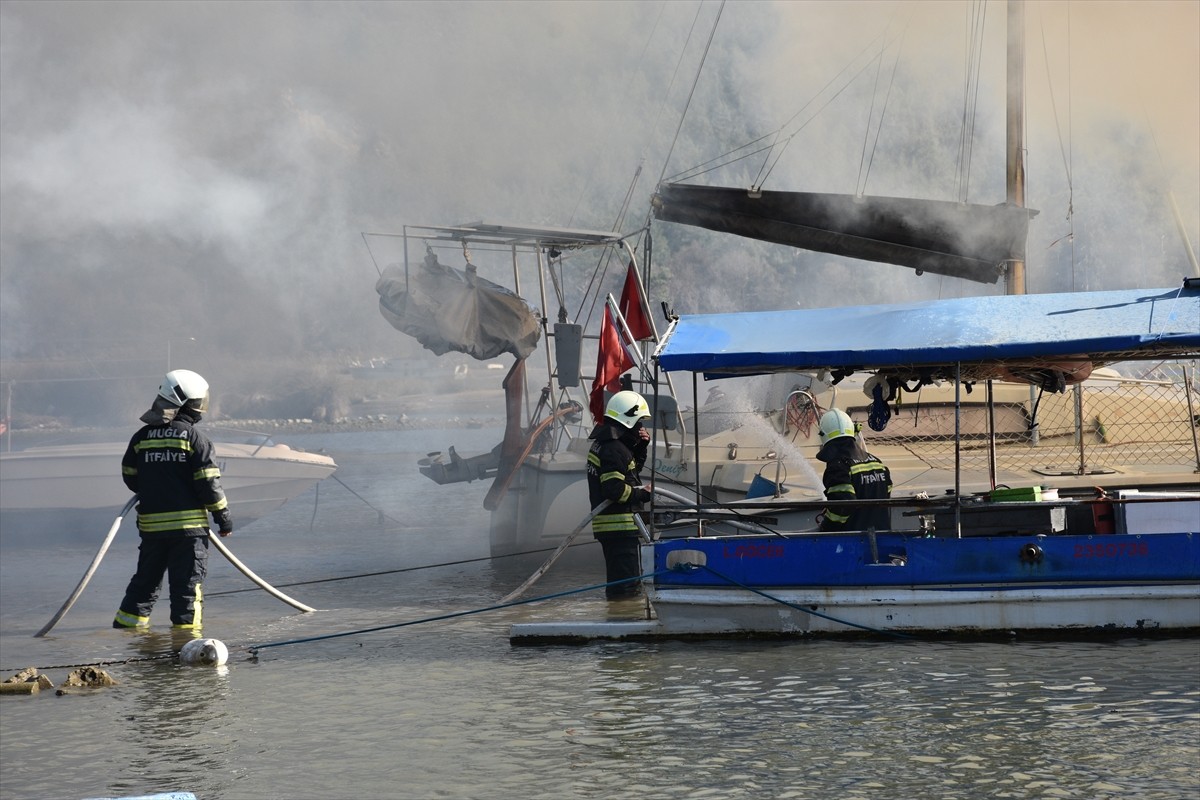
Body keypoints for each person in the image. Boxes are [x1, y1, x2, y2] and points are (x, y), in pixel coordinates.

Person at [113, 369, 232, 630]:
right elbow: (208, 484)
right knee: (187, 590)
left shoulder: (141, 437)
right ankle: (186, 648)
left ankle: (127, 640)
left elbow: (130, 476)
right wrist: (223, 519)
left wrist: (155, 489)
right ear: (185, 403)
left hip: (152, 530)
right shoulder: (194, 438)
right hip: (188, 533)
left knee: (144, 585)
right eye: (198, 402)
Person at [586, 389, 653, 599]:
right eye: (639, 421)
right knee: (626, 588)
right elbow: (614, 489)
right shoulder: (614, 448)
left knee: (624, 583)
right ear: (628, 419)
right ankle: (623, 619)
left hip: (616, 529)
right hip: (620, 527)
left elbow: (629, 474)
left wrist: (641, 448)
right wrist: (643, 495)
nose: (640, 427)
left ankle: (619, 617)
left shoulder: (610, 445)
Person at [815, 408, 892, 532]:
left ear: (823, 435)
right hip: (882, 538)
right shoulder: (877, 463)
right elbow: (885, 496)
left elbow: (843, 505)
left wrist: (825, 528)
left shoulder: (838, 466)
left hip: (852, 544)